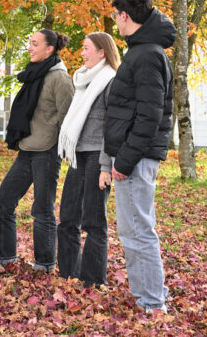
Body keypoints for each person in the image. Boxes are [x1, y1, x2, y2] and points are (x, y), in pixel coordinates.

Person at [105, 0, 175, 313]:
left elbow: (150, 116)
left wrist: (125, 159)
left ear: (125, 16)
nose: (114, 21)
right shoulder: (144, 50)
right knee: (133, 228)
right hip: (135, 155)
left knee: (137, 230)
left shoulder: (146, 54)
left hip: (136, 158)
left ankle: (152, 302)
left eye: (115, 15)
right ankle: (148, 294)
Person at [0, 29, 74, 272]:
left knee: (42, 209)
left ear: (50, 49)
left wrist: (61, 149)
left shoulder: (59, 79)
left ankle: (44, 264)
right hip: (28, 147)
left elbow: (68, 119)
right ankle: (4, 258)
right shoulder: (34, 75)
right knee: (3, 202)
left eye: (35, 43)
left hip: (47, 150)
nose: (30, 47)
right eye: (29, 42)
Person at [56, 32, 120, 287]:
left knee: (94, 221)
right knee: (68, 217)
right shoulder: (83, 81)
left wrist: (106, 166)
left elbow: (111, 129)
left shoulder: (110, 81)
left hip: (97, 156)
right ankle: (69, 274)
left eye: (86, 48)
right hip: (78, 155)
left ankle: (93, 280)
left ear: (102, 52)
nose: (82, 53)